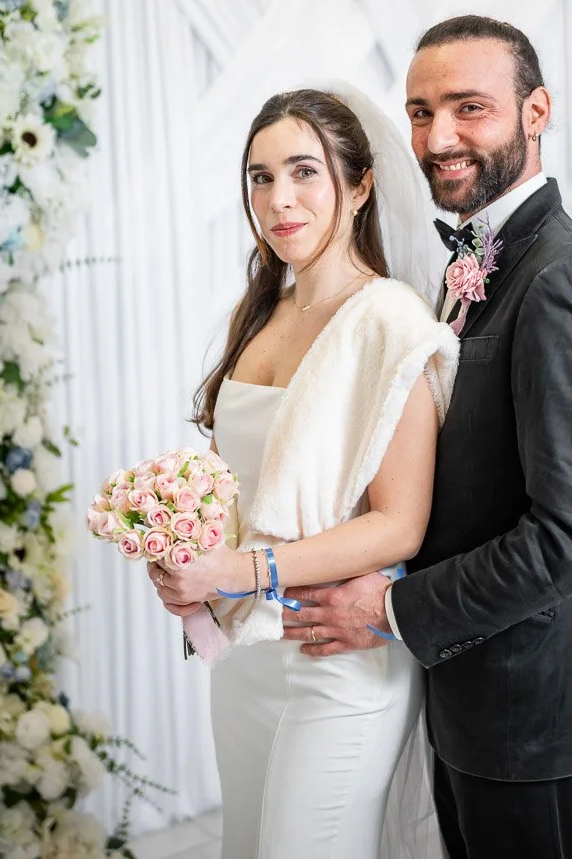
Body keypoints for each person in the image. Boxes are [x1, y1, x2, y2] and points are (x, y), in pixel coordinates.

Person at [278, 16, 572, 859]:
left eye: (468, 108)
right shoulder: (471, 262)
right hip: (469, 685)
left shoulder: (564, 278)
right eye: (419, 112)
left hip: (527, 696)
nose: (437, 138)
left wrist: (393, 606)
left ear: (536, 110)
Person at [150, 87, 458, 858]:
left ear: (358, 186)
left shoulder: (391, 322)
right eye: (259, 177)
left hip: (338, 656)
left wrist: (238, 568)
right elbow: (235, 485)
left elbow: (399, 522)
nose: (278, 200)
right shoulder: (259, 314)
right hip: (251, 652)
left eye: (303, 172)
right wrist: (187, 555)